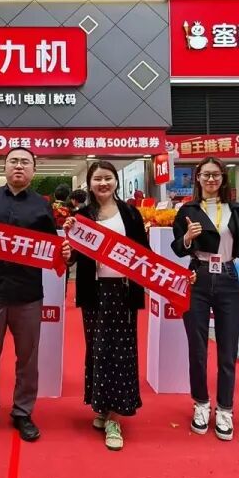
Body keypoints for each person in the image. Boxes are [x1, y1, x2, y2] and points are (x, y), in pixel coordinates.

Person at [0, 147, 57, 442]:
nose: (19, 166)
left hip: (28, 293)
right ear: (5, 167)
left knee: (27, 358)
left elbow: (53, 248)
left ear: (33, 170)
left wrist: (66, 253)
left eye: (25, 162)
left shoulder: (42, 207)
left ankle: (22, 412)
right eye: (13, 161)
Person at [172, 157, 239, 441]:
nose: (211, 179)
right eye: (206, 175)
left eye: (216, 175)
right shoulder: (187, 210)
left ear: (223, 178)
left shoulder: (236, 210)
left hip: (227, 276)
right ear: (197, 178)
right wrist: (188, 237)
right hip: (197, 277)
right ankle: (200, 403)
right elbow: (177, 248)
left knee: (227, 348)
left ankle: (225, 408)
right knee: (197, 348)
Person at [63, 161, 148, 451]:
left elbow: (144, 253)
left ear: (116, 181)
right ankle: (101, 405)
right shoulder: (82, 216)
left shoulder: (130, 213)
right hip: (94, 291)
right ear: (89, 183)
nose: (103, 183)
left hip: (122, 291)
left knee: (121, 353)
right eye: (97, 179)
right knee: (98, 350)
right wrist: (67, 247)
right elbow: (73, 257)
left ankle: (115, 417)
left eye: (108, 178)